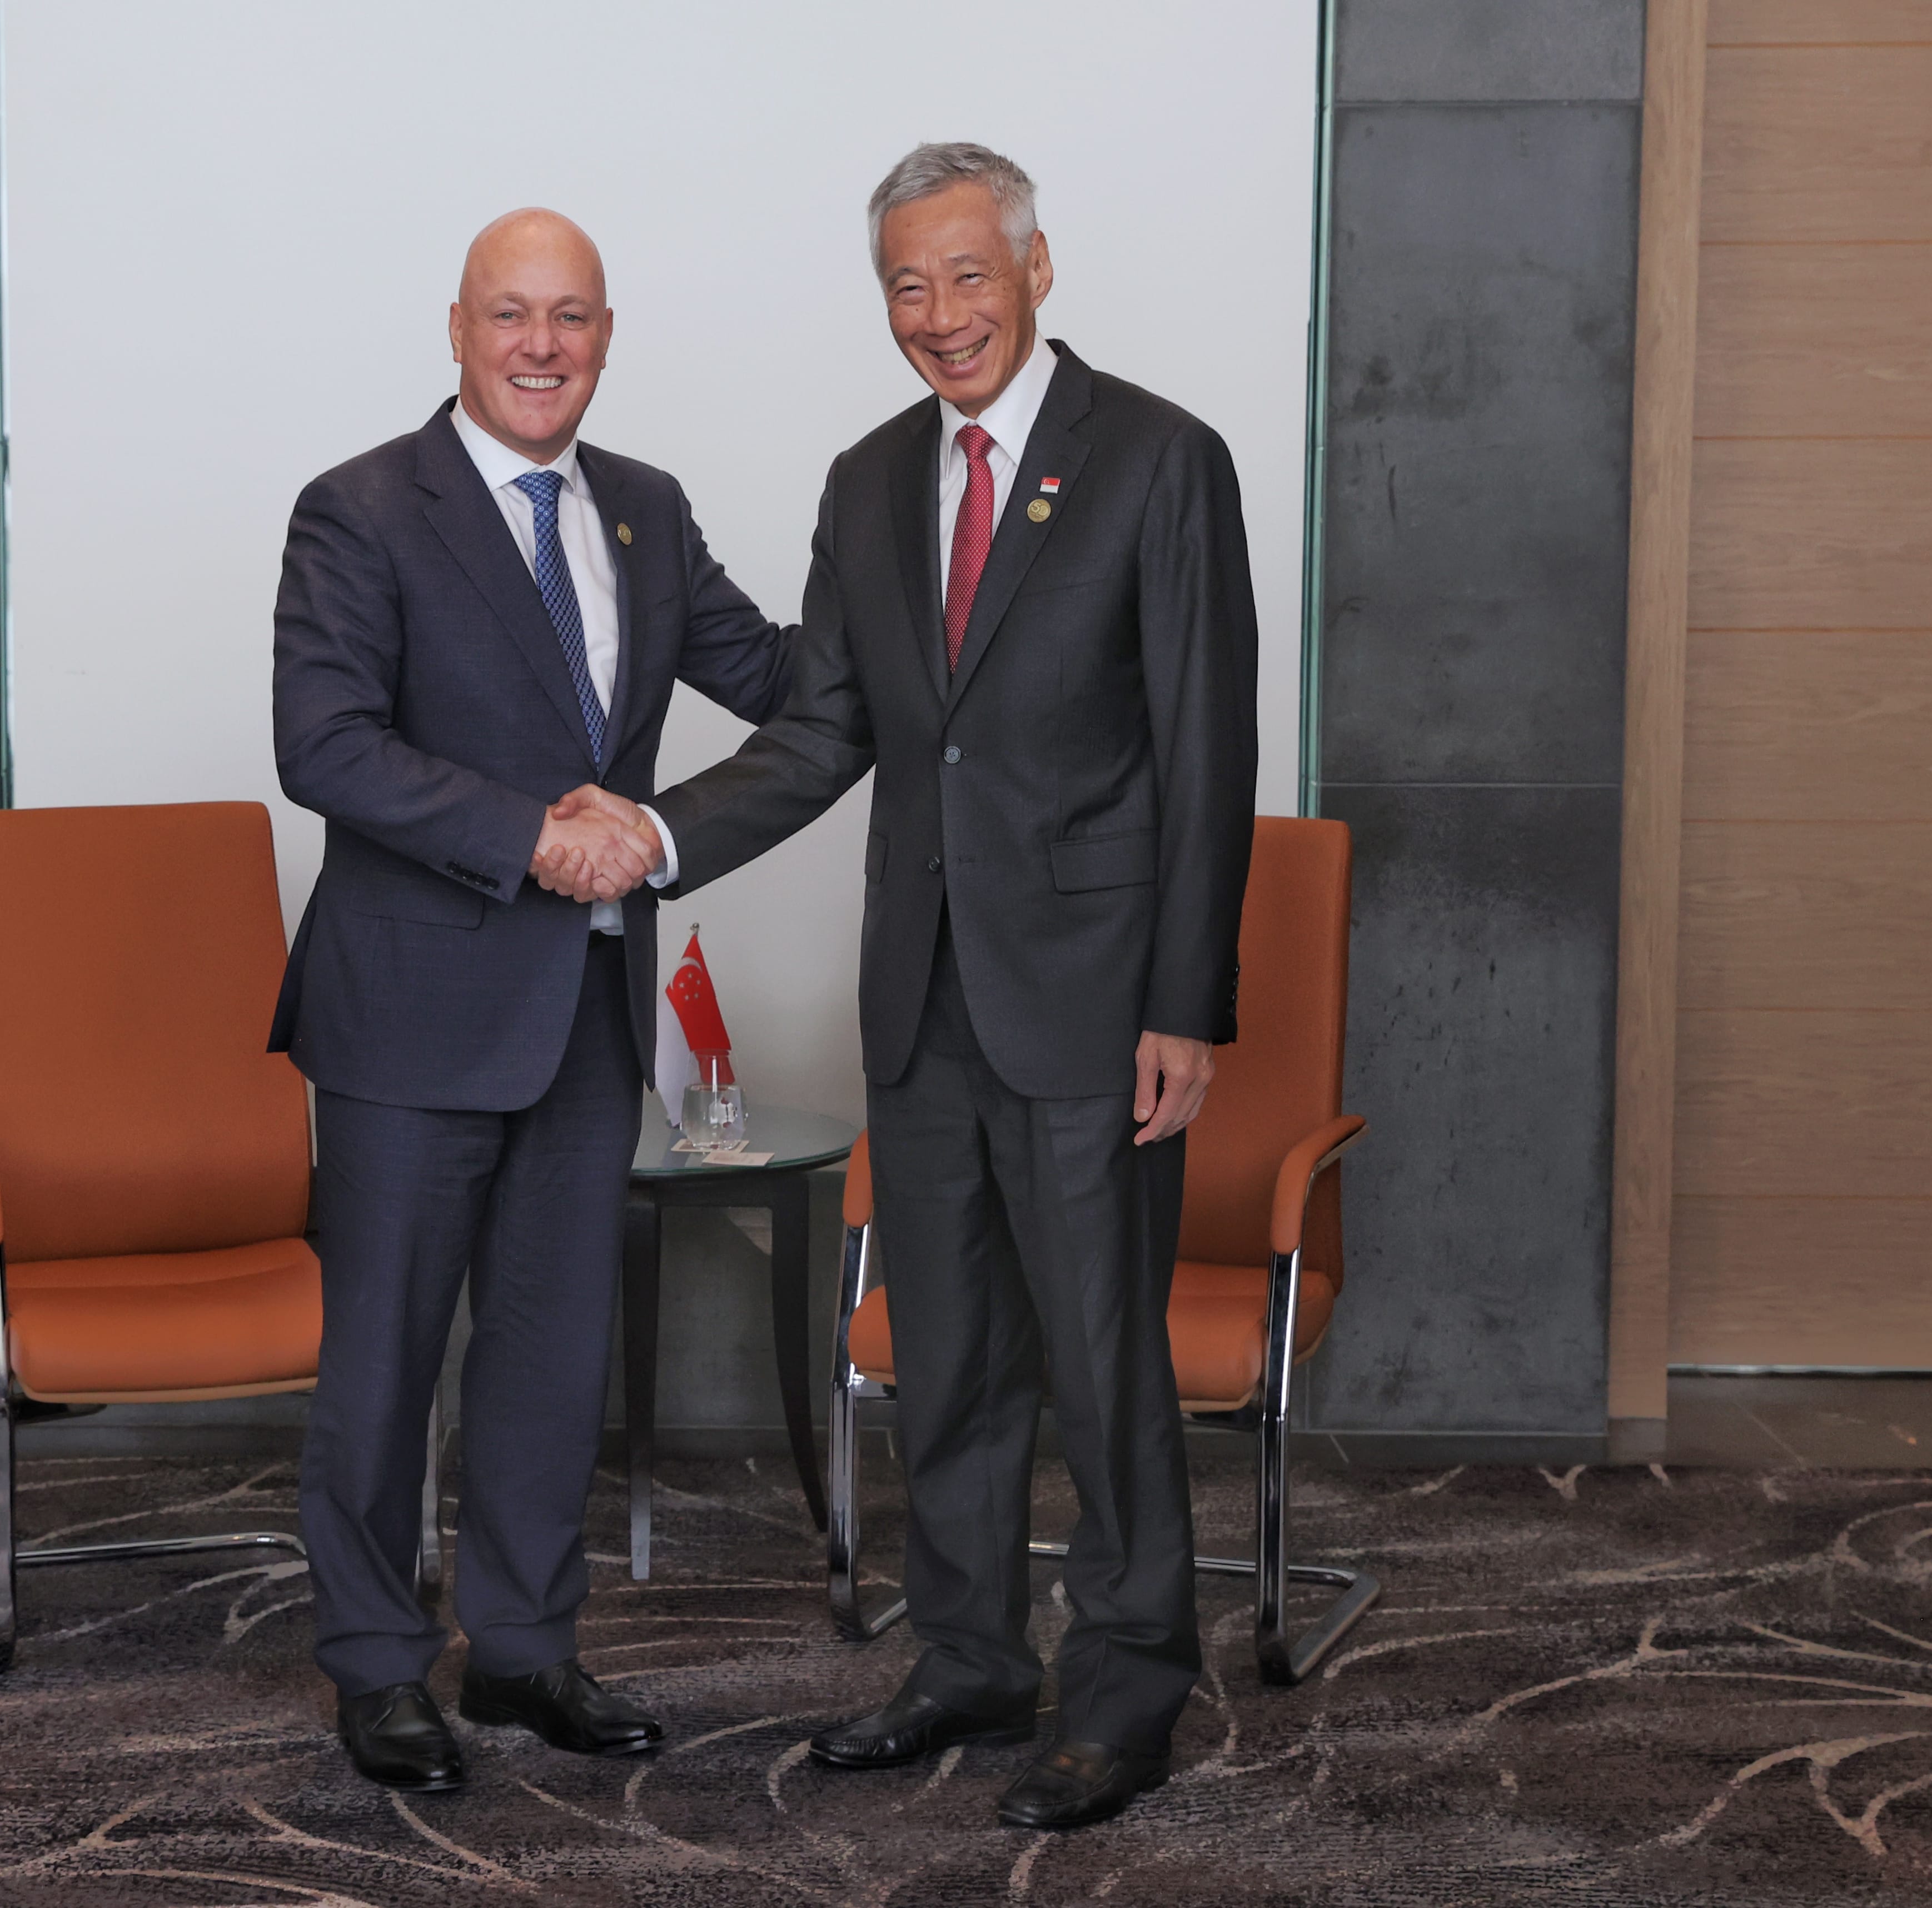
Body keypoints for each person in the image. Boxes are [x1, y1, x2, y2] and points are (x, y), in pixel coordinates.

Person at [565, 143, 1258, 1830]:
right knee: (947, 1354)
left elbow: (1206, 744)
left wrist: (1187, 1001)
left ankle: (1122, 1685)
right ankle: (967, 1658)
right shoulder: (869, 481)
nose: (938, 316)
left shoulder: (1159, 459)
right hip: (927, 993)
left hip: (1097, 1000)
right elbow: (825, 735)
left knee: (1099, 1358)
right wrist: (655, 831)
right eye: (905, 285)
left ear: (1034, 269)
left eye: (966, 276)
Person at [268, 208, 791, 1793]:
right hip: (412, 1013)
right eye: (511, 314)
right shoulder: (359, 509)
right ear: (458, 327)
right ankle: (373, 1664)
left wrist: (952, 647)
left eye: (569, 316)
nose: (541, 345)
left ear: (607, 333)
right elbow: (327, 744)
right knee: (384, 1361)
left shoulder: (641, 508)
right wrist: (537, 838)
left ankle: (519, 1649)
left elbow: (780, 677)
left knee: (549, 1353)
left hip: (581, 1009)